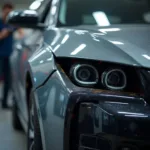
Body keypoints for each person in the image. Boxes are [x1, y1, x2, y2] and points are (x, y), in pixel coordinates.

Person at [0, 3, 15, 108]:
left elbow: (22, 34)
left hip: (9, 55)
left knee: (8, 80)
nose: (8, 14)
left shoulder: (12, 25)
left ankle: (5, 102)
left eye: (10, 12)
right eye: (7, 11)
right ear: (3, 10)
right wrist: (2, 35)